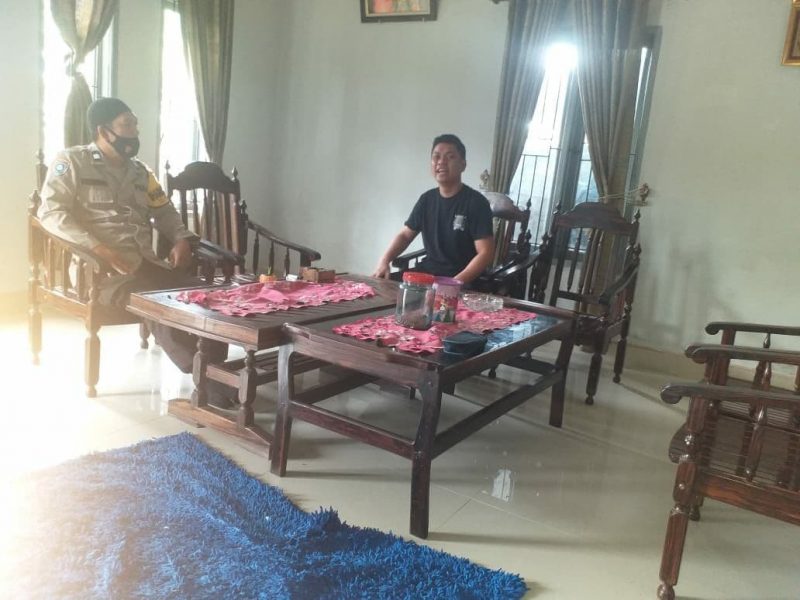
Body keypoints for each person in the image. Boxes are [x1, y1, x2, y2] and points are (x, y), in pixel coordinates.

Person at [38, 97, 232, 407]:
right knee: (159, 302)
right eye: (127, 124)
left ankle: (218, 373)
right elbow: (51, 213)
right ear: (104, 130)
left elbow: (164, 211)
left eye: (135, 124)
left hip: (144, 263)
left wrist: (181, 238)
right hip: (100, 271)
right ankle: (208, 379)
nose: (135, 131)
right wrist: (98, 248)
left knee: (204, 297)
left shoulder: (141, 172)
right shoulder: (72, 162)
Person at [372, 134, 494, 284]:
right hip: (427, 276)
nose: (441, 162)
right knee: (378, 286)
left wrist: (453, 284)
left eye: (450, 157)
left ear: (463, 165)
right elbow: (405, 235)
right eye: (436, 157)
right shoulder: (426, 200)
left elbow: (486, 253)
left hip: (462, 280)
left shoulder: (476, 203)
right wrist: (384, 260)